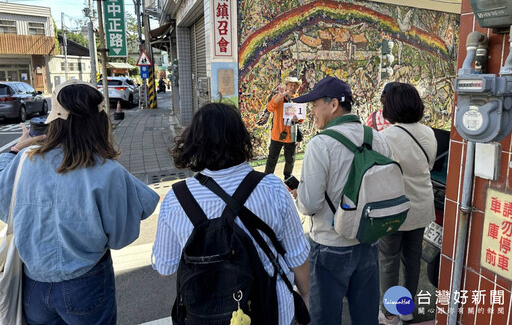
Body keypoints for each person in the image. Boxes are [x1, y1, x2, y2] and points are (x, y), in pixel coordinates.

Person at [0, 79, 160, 325]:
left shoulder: (24, 161)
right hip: (86, 283)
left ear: (53, 122)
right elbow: (121, 236)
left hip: (34, 284)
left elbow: (4, 203)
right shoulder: (108, 172)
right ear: (99, 121)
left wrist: (13, 151)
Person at [152, 102, 310, 325]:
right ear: (241, 140)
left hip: (205, 315)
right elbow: (297, 257)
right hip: (271, 312)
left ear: (193, 143)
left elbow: (165, 267)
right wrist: (305, 296)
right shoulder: (273, 189)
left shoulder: (177, 198)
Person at [291, 76, 392, 325]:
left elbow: (310, 205)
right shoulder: (378, 139)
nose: (312, 111)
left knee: (324, 318)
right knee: (366, 317)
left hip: (329, 246)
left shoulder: (320, 144)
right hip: (368, 242)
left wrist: (298, 195)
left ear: (333, 104)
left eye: (315, 104)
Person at [378, 83, 437, 325]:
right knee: (412, 259)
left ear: (391, 107)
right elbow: (429, 165)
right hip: (421, 206)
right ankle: (405, 309)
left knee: (389, 259)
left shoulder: (384, 137)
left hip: (394, 209)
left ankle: (389, 313)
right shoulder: (429, 133)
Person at [265, 76, 302, 179]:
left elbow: (302, 118)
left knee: (290, 160)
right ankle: (267, 178)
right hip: (277, 135)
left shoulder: (298, 100)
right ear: (286, 86)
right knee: (272, 158)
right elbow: (270, 108)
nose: (293, 87)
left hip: (291, 136)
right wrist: (280, 96)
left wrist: (297, 119)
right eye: (291, 85)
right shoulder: (279, 98)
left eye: (295, 85)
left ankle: (288, 178)